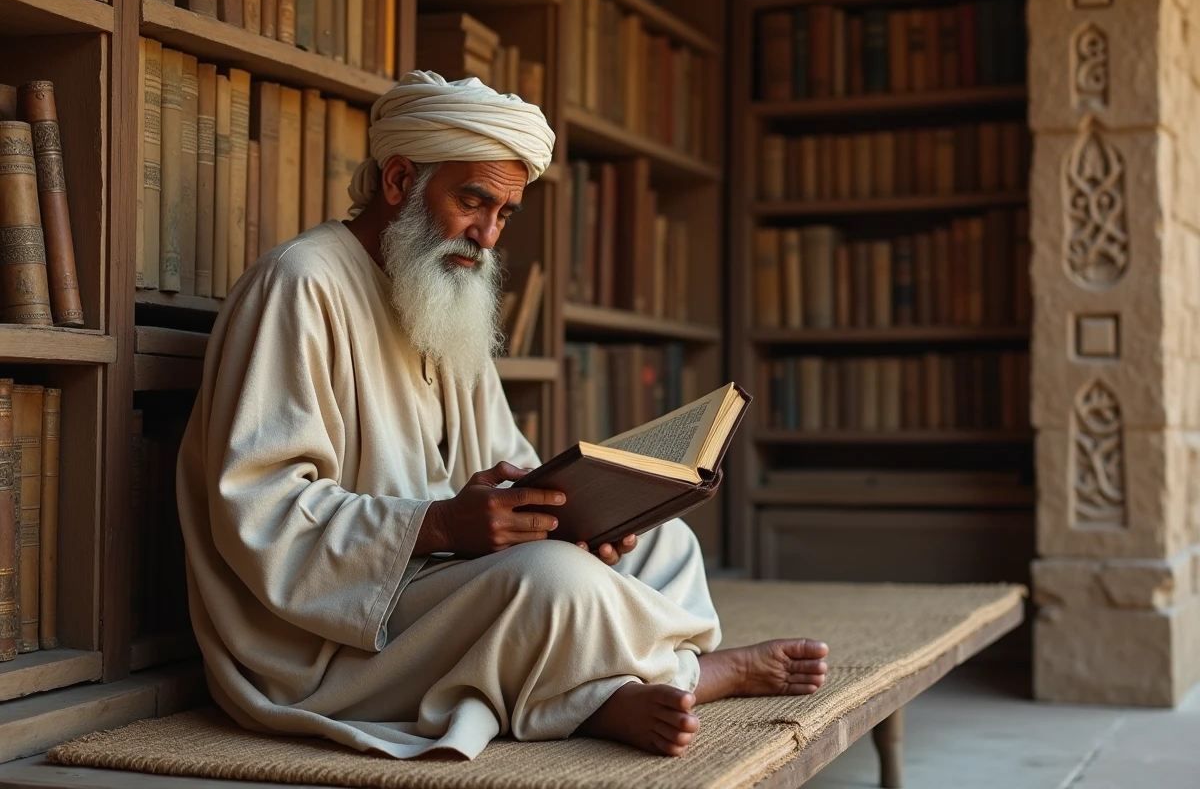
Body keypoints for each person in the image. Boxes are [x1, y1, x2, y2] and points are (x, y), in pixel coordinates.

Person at [176, 70, 829, 762]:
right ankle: (690, 675)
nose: (487, 234)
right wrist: (437, 524)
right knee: (554, 583)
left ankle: (599, 691)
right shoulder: (301, 283)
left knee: (663, 543)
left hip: (440, 578)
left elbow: (507, 465)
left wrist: (581, 519)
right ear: (399, 181)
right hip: (333, 632)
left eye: (504, 213)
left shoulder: (440, 285)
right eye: (473, 201)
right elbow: (260, 509)